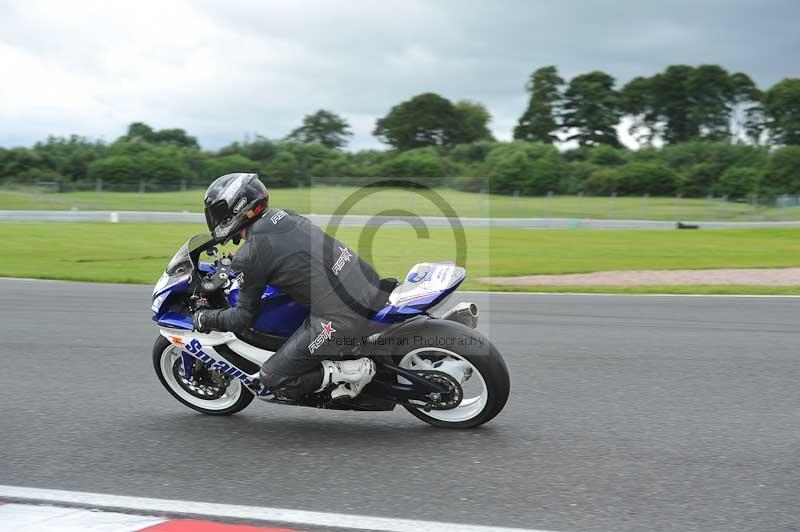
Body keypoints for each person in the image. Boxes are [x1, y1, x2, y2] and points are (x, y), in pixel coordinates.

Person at [192, 173, 384, 401]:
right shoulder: (284, 216)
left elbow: (241, 319)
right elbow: (294, 254)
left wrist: (205, 318)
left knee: (273, 379)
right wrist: (244, 263)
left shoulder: (250, 255)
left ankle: (353, 371)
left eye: (217, 213)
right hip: (368, 281)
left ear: (234, 210)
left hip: (342, 317)